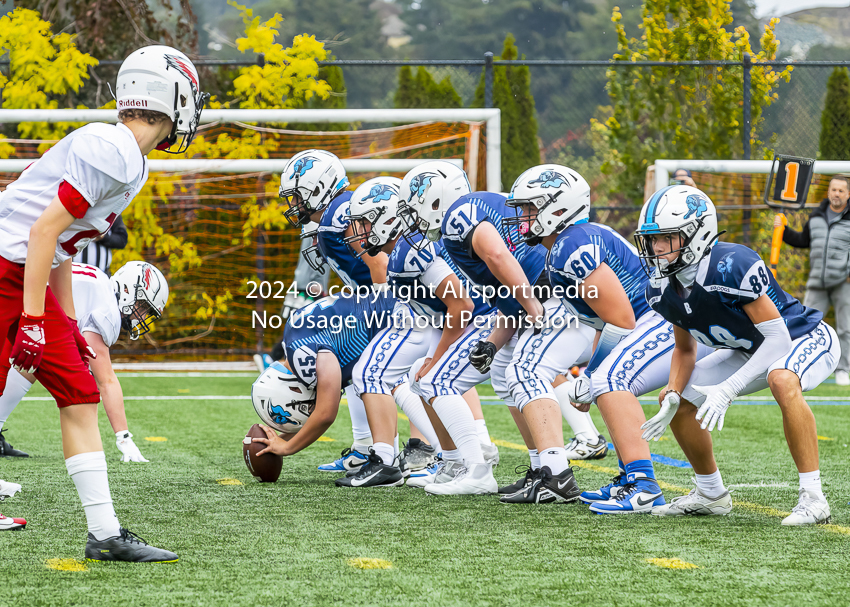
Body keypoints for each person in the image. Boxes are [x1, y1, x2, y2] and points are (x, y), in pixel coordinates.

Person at [0, 45, 206, 556]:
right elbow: (44, 232)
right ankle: (107, 534)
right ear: (174, 97)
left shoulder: (125, 153)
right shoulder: (113, 151)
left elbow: (61, 244)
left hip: (22, 269)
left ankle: (106, 535)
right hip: (7, 267)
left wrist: (66, 321)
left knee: (79, 392)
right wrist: (32, 318)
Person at [502, 165, 712, 513]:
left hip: (663, 319)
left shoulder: (572, 245)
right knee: (604, 379)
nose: (523, 217)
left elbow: (623, 318)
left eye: (530, 208)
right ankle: (631, 477)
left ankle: (643, 485)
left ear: (558, 207)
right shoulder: (562, 246)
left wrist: (590, 375)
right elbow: (603, 318)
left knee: (608, 379)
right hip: (651, 319)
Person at [636, 185, 838, 525]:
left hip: (803, 336)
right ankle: (710, 493)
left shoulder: (731, 264)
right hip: (749, 349)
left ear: (696, 235)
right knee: (681, 398)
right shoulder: (659, 288)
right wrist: (672, 390)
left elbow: (777, 338)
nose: (656, 248)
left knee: (782, 379)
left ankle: (814, 498)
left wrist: (728, 390)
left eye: (666, 238)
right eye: (652, 239)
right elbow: (685, 349)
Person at [0, 261, 168, 463]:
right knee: (81, 389)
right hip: (22, 293)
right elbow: (106, 380)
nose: (141, 316)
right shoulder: (108, 310)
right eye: (143, 307)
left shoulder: (99, 283)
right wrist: (124, 437)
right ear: (127, 289)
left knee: (29, 362)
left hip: (19, 288)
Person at [250, 291, 401, 487]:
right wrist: (279, 439)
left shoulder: (302, 357)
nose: (306, 410)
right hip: (393, 310)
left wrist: (287, 447)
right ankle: (394, 459)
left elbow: (325, 413)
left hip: (399, 316)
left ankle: (415, 457)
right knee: (375, 378)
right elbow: (322, 407)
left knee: (388, 381)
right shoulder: (294, 344)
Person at [775, 175, 850, 386]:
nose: (836, 194)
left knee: (846, 328)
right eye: (833, 190)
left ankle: (843, 369)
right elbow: (802, 241)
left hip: (844, 282)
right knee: (803, 324)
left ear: (848, 194)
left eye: (841, 191)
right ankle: (800, 365)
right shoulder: (816, 217)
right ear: (828, 192)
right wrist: (783, 230)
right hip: (817, 281)